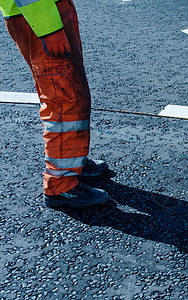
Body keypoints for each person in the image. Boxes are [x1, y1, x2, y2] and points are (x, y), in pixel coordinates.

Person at [1, 0, 110, 208]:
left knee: (73, 92)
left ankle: (72, 162)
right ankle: (61, 183)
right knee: (63, 99)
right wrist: (49, 29)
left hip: (50, 12)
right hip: (41, 16)